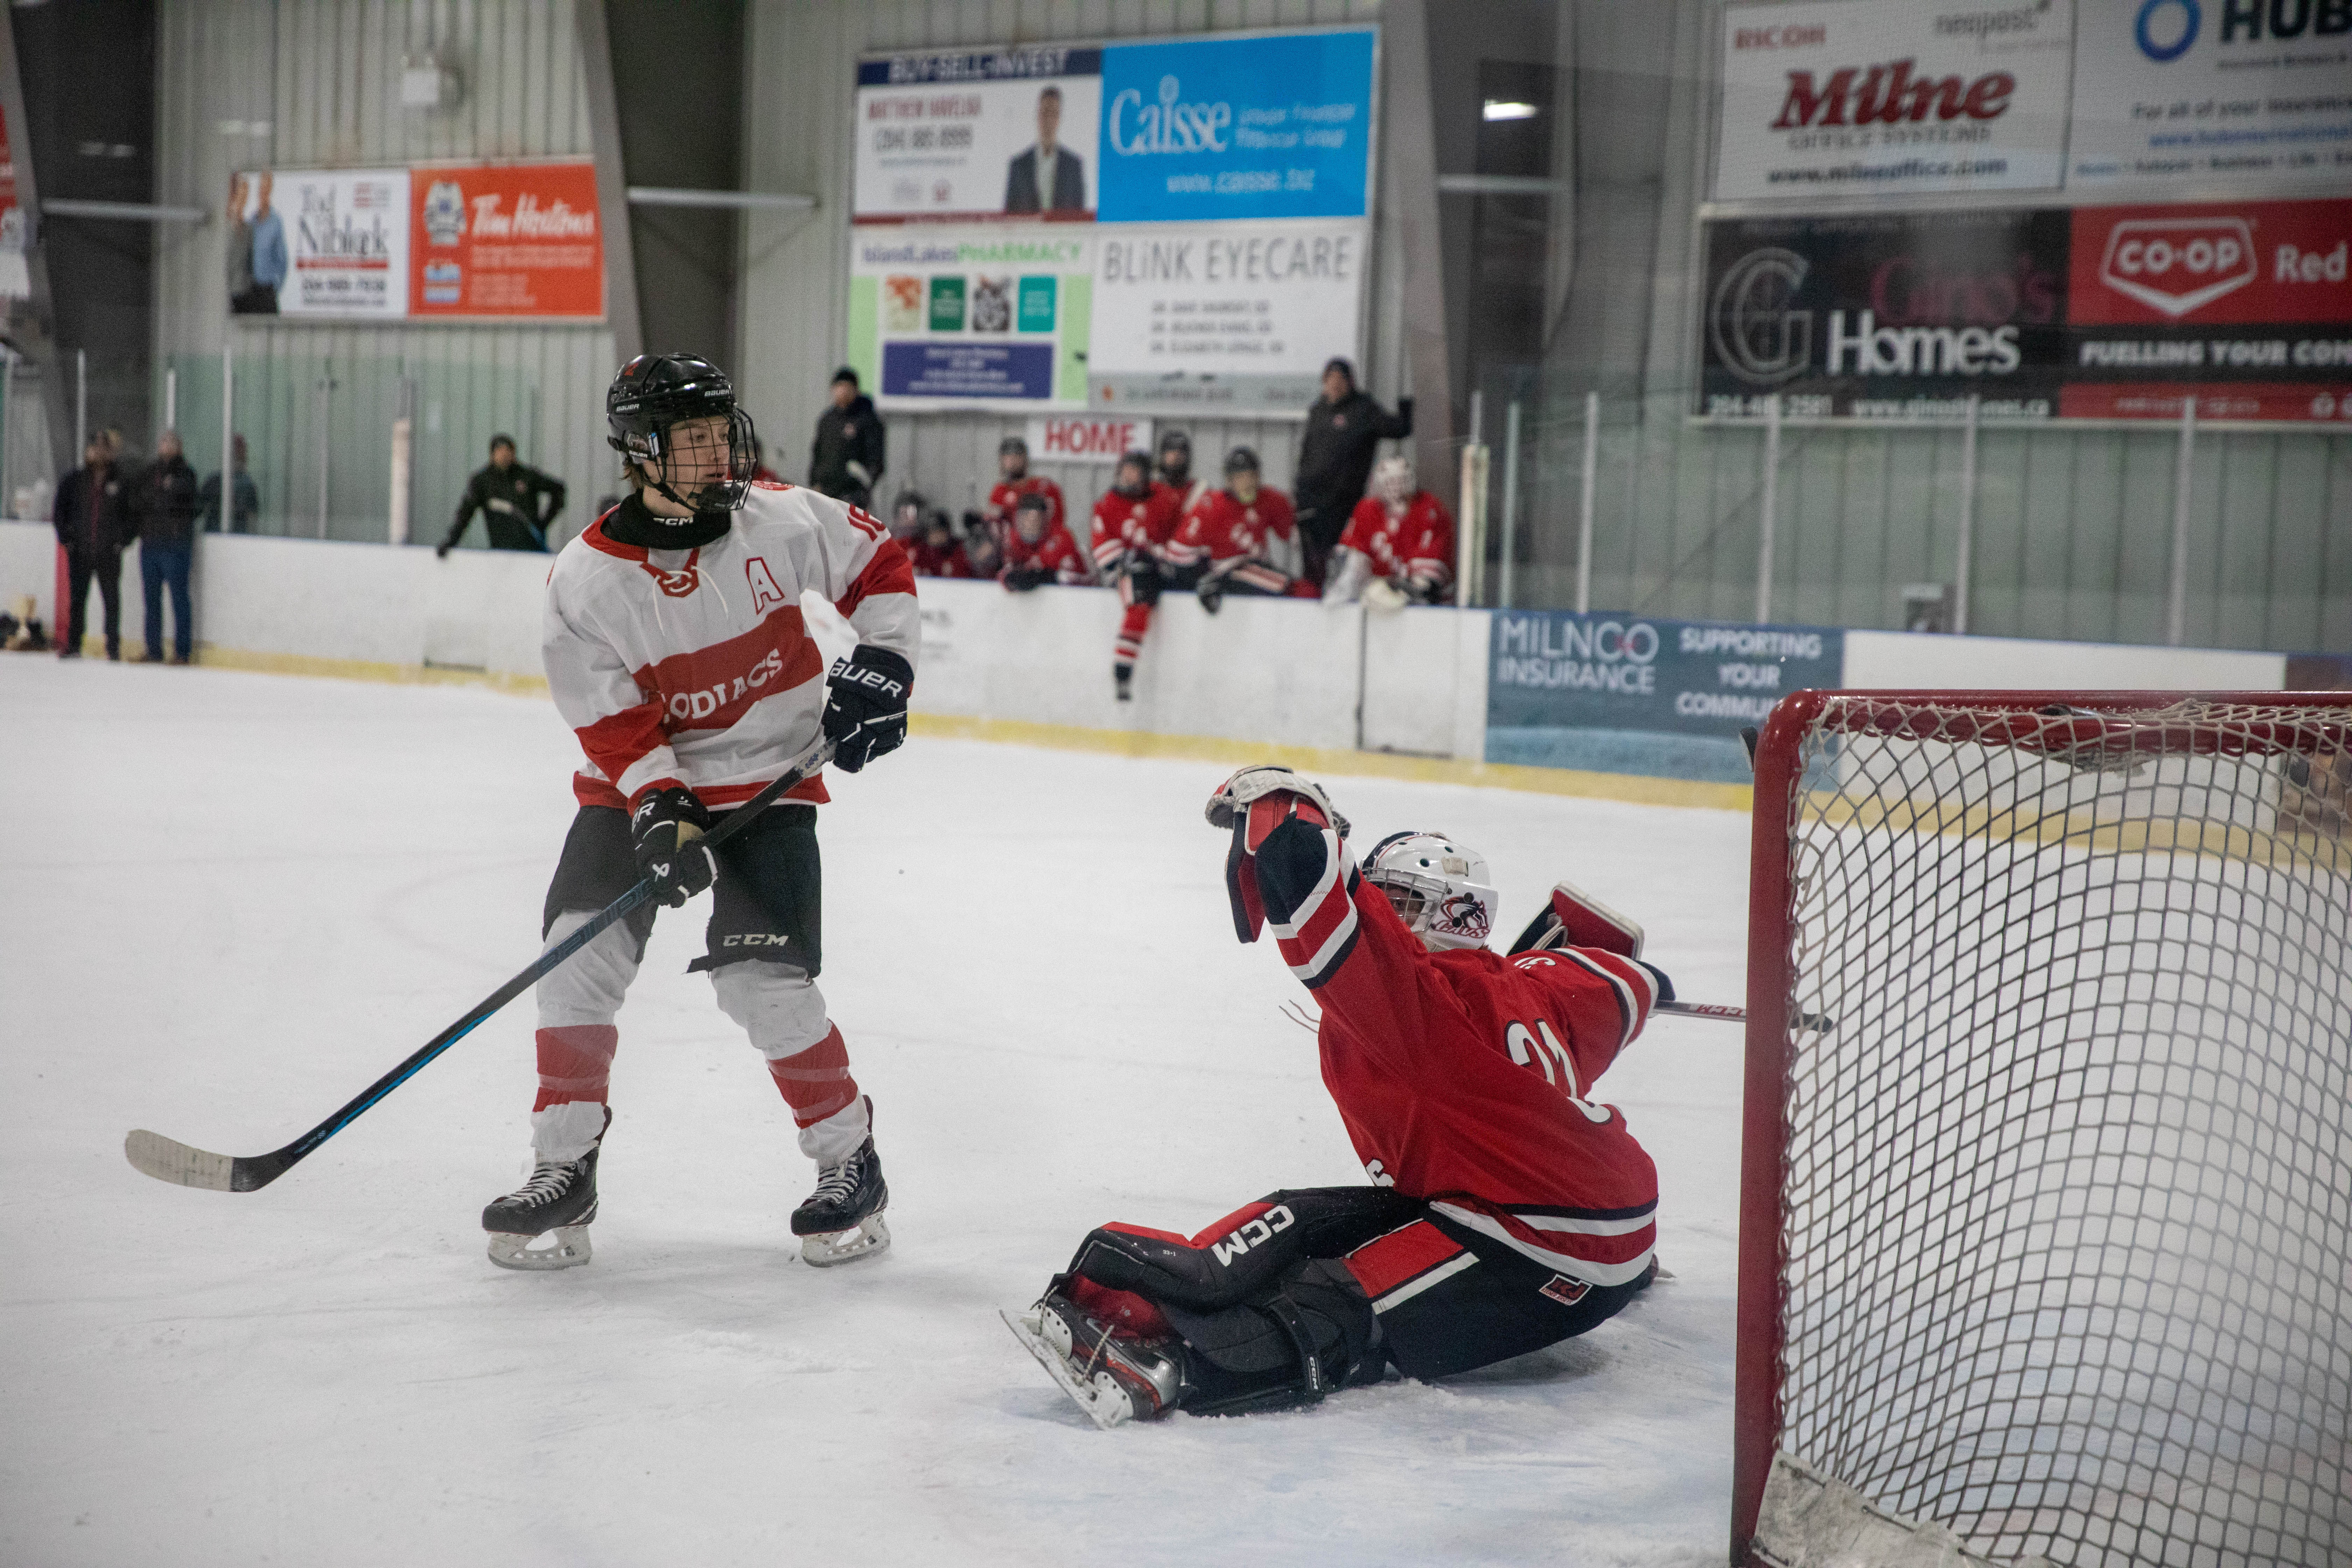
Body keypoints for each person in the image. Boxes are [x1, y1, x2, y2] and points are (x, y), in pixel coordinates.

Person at [1007, 766, 1669, 1426]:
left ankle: (1173, 1365)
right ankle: (1169, 1291)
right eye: (1382, 898)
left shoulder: (1426, 1006)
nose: (1383, 913)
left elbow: (1334, 928)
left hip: (1550, 1245)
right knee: (1299, 1220)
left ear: (1453, 910)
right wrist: (1645, 977)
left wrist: (1290, 822)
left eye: (1402, 901)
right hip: (1516, 1197)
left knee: (1343, 1300)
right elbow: (1623, 984)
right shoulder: (1534, 982)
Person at [479, 352, 917, 1274]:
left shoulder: (779, 516)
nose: (720, 456)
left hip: (771, 780)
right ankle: (563, 1165)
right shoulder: (587, 581)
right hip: (641, 784)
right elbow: (610, 720)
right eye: (694, 441)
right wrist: (658, 805)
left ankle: (850, 1161)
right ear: (641, 453)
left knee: (760, 983)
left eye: (725, 434)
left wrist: (885, 663)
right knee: (575, 951)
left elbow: (879, 558)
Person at [1294, 359, 1412, 586]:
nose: (1335, 386)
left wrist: (1407, 410)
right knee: (1313, 567)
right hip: (1311, 503)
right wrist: (1299, 493)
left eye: (1341, 380)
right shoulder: (1318, 411)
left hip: (1343, 503)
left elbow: (1399, 429)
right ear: (1324, 382)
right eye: (1331, 380)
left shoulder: (1363, 410)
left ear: (1350, 383)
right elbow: (1306, 454)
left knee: (1345, 563)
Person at [1166, 447, 1311, 613]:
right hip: (1225, 573)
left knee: (1304, 590)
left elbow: (1293, 536)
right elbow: (1178, 552)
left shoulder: (1270, 500)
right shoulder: (1211, 505)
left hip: (1256, 571)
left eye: (1252, 476)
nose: (1248, 483)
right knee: (1293, 589)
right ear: (1229, 481)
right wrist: (1203, 579)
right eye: (1241, 478)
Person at [1087, 450, 1184, 701]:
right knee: (1139, 603)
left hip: (1159, 570)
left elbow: (1181, 538)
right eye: (1125, 470)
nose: (1129, 477)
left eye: (1135, 471)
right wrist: (1128, 560)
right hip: (1125, 572)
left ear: (1146, 477)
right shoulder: (1106, 505)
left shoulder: (1165, 498)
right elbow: (1101, 550)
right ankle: (1123, 672)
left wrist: (1163, 557)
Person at [1327, 456, 1455, 608]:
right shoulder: (1366, 510)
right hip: (1374, 608)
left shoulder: (1429, 510)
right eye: (1390, 482)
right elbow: (1346, 567)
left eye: (1401, 481)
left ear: (1411, 482)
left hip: (1428, 613)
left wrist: (1383, 589)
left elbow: (1424, 587)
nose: (1396, 488)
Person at [52, 435, 134, 660]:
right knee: (78, 599)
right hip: (80, 551)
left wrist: (122, 541)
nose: (98, 453)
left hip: (109, 552)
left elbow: (133, 515)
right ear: (88, 451)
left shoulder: (121, 482)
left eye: (103, 448)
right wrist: (67, 539)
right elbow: (60, 510)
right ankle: (74, 644)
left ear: (110, 452)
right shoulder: (74, 481)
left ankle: (113, 647)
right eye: (94, 448)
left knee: (112, 601)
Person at [133, 430, 201, 664]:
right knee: (151, 599)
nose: (166, 447)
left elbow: (184, 500)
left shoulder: (187, 474)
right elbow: (140, 500)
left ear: (180, 447)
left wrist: (167, 493)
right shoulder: (150, 472)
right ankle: (153, 649)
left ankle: (182, 652)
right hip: (151, 543)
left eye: (171, 443)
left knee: (179, 597)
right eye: (163, 442)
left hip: (175, 544)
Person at [437, 434, 567, 556]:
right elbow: (465, 514)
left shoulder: (527, 476)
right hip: (500, 552)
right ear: (492, 454)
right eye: (500, 452)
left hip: (531, 550)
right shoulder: (483, 481)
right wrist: (451, 542)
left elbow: (558, 489)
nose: (504, 456)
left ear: (513, 454)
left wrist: (544, 523)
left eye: (507, 452)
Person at [809, 367, 884, 512]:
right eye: (839, 387)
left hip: (853, 497)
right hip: (825, 493)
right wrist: (815, 483)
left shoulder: (868, 420)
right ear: (833, 389)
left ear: (856, 390)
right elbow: (817, 454)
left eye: (847, 387)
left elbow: (875, 461)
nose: (843, 391)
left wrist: (863, 490)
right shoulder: (827, 420)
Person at [1004, 84, 1086, 214]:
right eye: (1045, 112)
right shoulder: (1018, 166)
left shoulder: (1073, 166)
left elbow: (1080, 217)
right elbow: (1009, 217)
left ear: (1059, 118)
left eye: (1054, 113)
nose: (1049, 120)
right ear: (1038, 115)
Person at [1000, 490, 1089, 591]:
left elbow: (1061, 578)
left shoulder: (1061, 537)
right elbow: (1006, 573)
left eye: (1034, 520)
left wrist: (1035, 575)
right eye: (1023, 519)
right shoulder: (1014, 537)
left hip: (1079, 595)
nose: (1027, 525)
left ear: (1044, 519)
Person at [983, 436, 1066, 543]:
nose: (1012, 461)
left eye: (1016, 456)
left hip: (1044, 548)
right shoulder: (1000, 491)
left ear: (1025, 459)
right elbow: (994, 527)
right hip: (1014, 550)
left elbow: (1057, 524)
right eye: (1008, 457)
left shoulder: (1044, 487)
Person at [244, 172, 286, 315]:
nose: (263, 192)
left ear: (271, 190)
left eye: (266, 188)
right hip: (251, 291)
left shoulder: (276, 222)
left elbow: (283, 261)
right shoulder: (251, 223)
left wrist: (274, 290)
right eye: (261, 188)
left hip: (267, 292)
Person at [200, 434, 260, 533]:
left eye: (239, 456)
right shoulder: (214, 481)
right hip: (215, 535)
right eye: (235, 455)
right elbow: (200, 508)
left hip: (238, 537)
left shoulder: (247, 485)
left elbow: (252, 516)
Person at [1155, 429, 1209, 517]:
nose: (1176, 456)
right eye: (1171, 452)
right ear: (1163, 456)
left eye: (1181, 453)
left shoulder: (1198, 491)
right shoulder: (1152, 491)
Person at [907, 508, 971, 578]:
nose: (936, 536)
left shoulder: (958, 547)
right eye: (932, 532)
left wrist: (953, 570)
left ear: (947, 532)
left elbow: (965, 576)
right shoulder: (919, 551)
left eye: (940, 531)